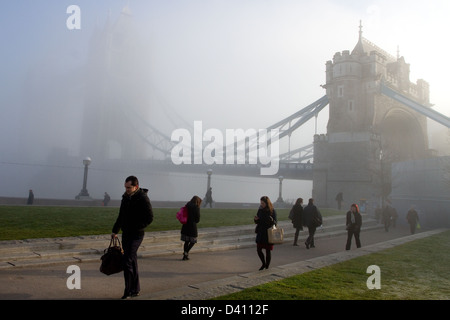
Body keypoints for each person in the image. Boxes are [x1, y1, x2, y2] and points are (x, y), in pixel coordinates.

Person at [111, 176, 153, 299]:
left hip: (137, 235)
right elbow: (121, 215)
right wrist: (115, 230)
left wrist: (137, 227)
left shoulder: (143, 198)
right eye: (125, 187)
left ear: (136, 186)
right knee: (132, 261)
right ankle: (136, 289)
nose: (127, 190)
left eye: (129, 187)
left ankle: (128, 291)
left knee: (127, 261)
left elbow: (149, 218)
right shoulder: (125, 198)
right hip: (126, 234)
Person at [254, 196, 277, 270]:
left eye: (263, 203)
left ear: (267, 203)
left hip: (268, 233)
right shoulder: (260, 210)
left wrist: (272, 221)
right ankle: (263, 263)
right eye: (261, 203)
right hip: (261, 232)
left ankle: (267, 266)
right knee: (258, 249)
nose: (261, 204)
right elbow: (257, 221)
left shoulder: (272, 211)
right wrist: (256, 220)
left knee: (268, 251)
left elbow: (275, 223)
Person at [181, 195, 202, 260]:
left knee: (186, 241)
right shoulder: (196, 207)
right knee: (193, 241)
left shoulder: (187, 206)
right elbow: (197, 219)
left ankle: (185, 255)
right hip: (192, 226)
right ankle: (186, 253)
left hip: (185, 225)